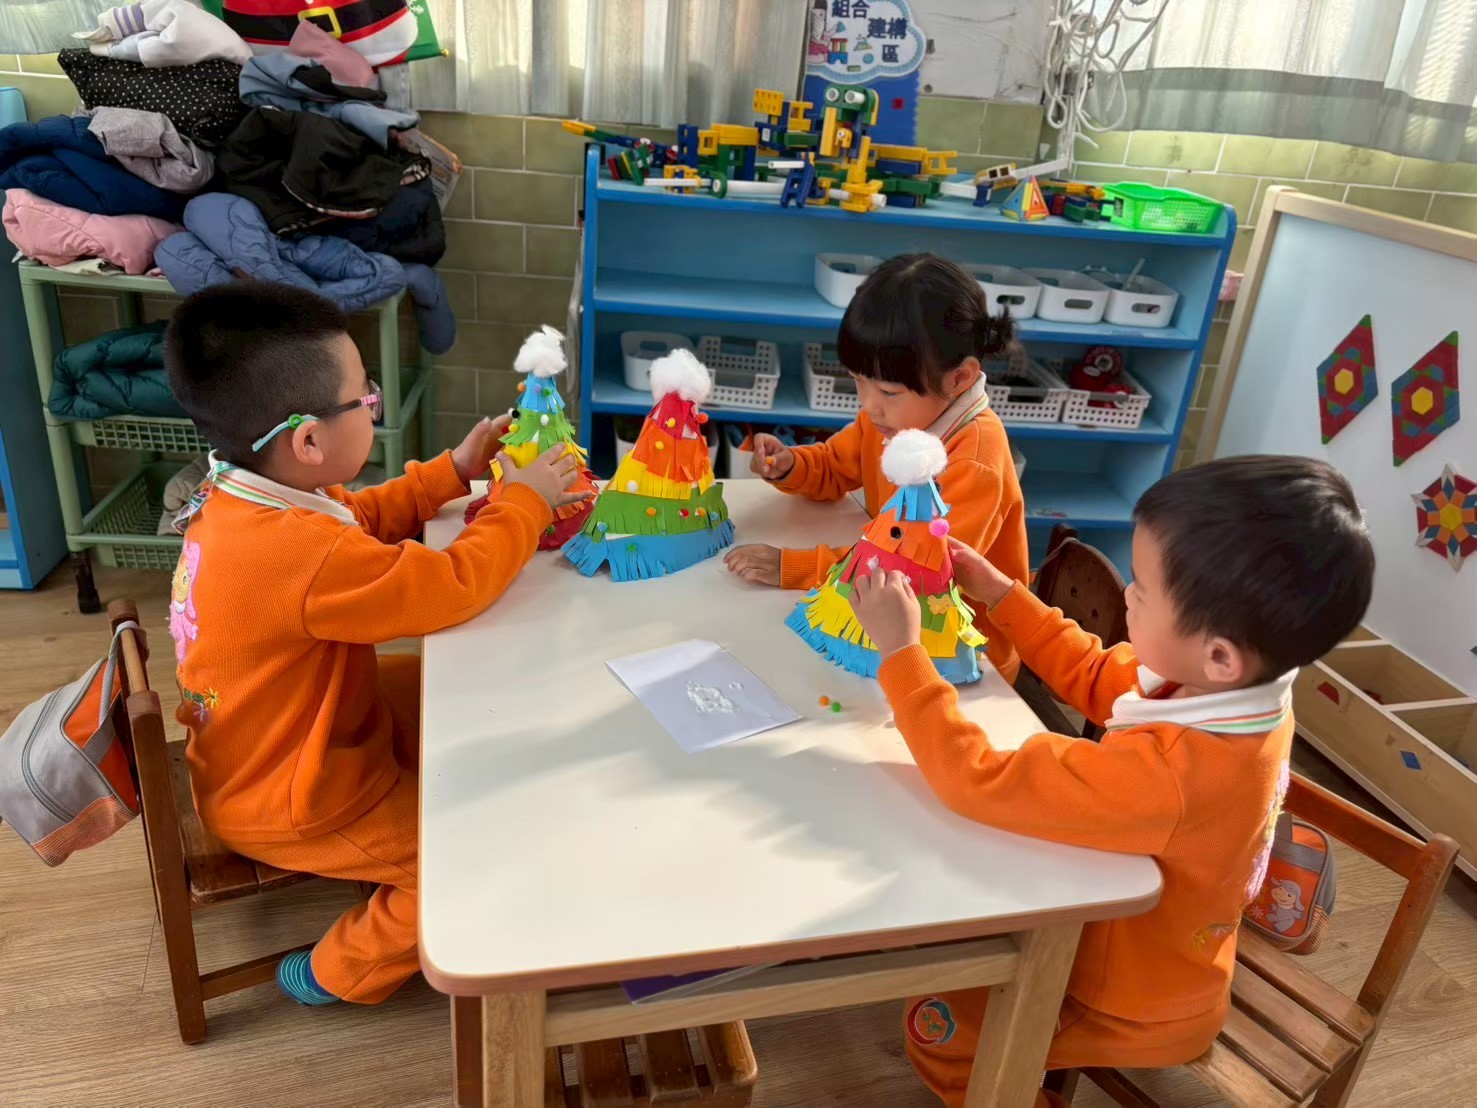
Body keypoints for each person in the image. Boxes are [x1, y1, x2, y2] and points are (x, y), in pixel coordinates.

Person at [846, 455, 1375, 1106]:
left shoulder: (1173, 773)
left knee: (938, 1031)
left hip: (1127, 1002)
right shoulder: (1238, 689)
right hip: (1163, 952)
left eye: (1143, 591)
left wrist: (901, 654)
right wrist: (1002, 594)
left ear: (1217, 655)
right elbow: (1100, 677)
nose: (1126, 595)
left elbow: (975, 779)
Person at [162, 282, 589, 1006]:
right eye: (365, 397)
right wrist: (525, 502)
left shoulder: (247, 490)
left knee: (458, 694)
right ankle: (336, 971)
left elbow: (353, 519)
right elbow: (451, 586)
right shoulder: (300, 553)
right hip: (296, 792)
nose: (374, 405)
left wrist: (450, 473)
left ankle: (490, 784)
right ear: (308, 440)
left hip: (266, 733)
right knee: (457, 863)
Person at [723, 253, 1030, 681]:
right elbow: (834, 466)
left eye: (887, 390)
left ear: (959, 379)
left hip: (961, 654)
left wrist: (795, 567)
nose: (868, 404)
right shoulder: (891, 417)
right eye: (858, 380)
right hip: (881, 618)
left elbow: (914, 569)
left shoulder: (975, 460)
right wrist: (791, 464)